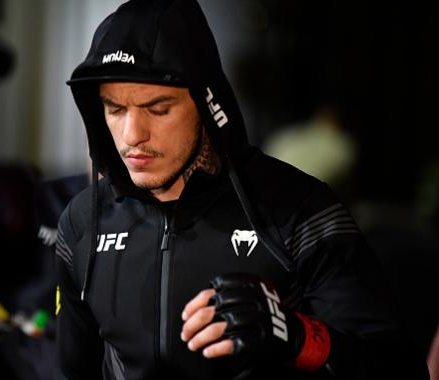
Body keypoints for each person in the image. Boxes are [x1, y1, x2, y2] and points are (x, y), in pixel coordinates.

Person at [54, 0, 429, 379]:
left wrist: (298, 337)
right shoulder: (84, 222)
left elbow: (400, 368)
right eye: (114, 109)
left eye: (159, 108)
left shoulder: (299, 212)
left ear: (207, 104)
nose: (132, 135)